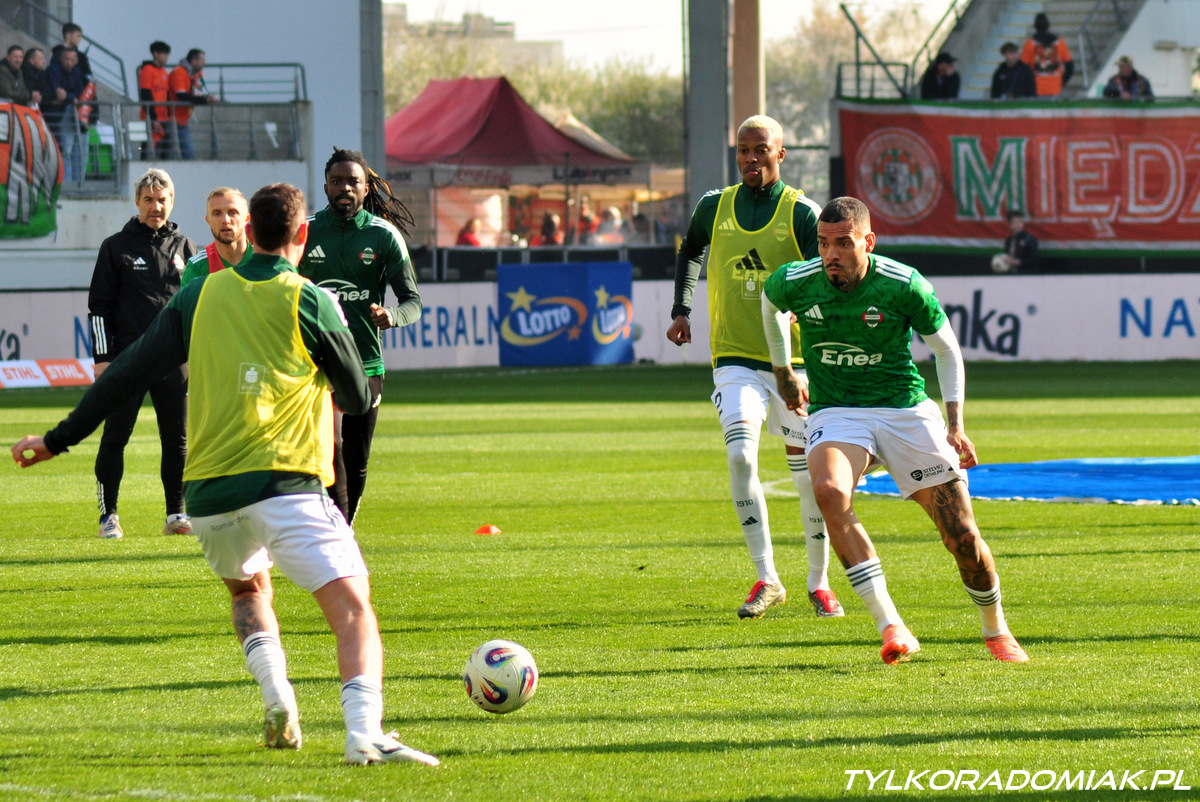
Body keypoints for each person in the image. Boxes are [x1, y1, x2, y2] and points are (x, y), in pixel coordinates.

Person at [11, 182, 440, 767]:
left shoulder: (198, 294)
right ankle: (364, 733)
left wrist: (56, 440)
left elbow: (127, 371)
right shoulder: (310, 299)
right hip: (285, 484)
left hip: (210, 498)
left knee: (248, 590)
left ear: (250, 230)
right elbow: (359, 398)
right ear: (302, 234)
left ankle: (278, 694)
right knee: (353, 610)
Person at [760, 196, 1029, 665]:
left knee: (962, 537)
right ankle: (891, 625)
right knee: (828, 491)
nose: (831, 255)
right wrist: (783, 370)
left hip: (904, 410)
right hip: (837, 411)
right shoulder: (796, 281)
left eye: (844, 244)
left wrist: (955, 425)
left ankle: (996, 629)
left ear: (868, 241)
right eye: (823, 244)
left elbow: (947, 351)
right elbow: (769, 305)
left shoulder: (904, 285)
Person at [667, 114, 842, 621]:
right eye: (743, 150)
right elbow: (691, 250)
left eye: (760, 150)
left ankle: (819, 582)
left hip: (794, 363)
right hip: (735, 359)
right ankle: (768, 578)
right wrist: (681, 309)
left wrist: (806, 311)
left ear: (780, 154)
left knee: (809, 480)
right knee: (741, 457)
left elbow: (827, 275)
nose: (750, 158)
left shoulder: (801, 213)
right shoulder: (713, 206)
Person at [298, 148, 422, 525]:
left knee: (356, 457)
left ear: (366, 188)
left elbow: (413, 301)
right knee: (325, 449)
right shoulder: (303, 232)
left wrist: (392, 316)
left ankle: (344, 525)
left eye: (353, 182)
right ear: (325, 186)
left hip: (365, 362)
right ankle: (329, 529)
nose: (345, 188)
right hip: (311, 364)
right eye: (337, 182)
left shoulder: (383, 236)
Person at [87, 168, 198, 539]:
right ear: (137, 202)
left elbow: (200, 307)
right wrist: (103, 359)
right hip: (127, 360)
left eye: (162, 199)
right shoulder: (115, 247)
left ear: (171, 202)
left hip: (174, 361)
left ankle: (176, 514)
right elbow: (99, 308)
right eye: (148, 200)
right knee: (115, 437)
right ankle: (109, 517)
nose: (156, 206)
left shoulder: (186, 248)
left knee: (177, 440)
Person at [181, 187, 253, 287]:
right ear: (208, 221)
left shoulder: (265, 260)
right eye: (217, 213)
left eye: (233, 212)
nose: (225, 220)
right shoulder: (198, 268)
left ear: (246, 219)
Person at [42, 47, 87, 182]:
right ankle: (67, 182)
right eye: (66, 59)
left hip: (75, 112)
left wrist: (68, 96)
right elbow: (57, 92)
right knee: (65, 149)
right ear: (61, 59)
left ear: (76, 61)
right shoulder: (53, 70)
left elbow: (80, 93)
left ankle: (78, 182)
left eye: (72, 60)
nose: (69, 62)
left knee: (78, 150)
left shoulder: (77, 72)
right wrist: (70, 97)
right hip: (60, 113)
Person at [169, 48, 218, 159]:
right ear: (194, 60)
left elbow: (200, 92)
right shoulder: (179, 72)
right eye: (202, 60)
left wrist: (207, 98)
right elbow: (181, 96)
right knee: (175, 152)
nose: (204, 63)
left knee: (187, 152)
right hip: (172, 118)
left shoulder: (196, 74)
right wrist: (205, 100)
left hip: (183, 118)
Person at [1021, 13, 1074, 97]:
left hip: (1036, 88)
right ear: (1049, 26)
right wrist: (1063, 80)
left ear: (1034, 27)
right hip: (1055, 87)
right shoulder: (1059, 42)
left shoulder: (1029, 44)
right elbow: (1070, 66)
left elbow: (1023, 68)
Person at [138, 41, 173, 159]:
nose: (167, 57)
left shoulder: (164, 72)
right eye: (165, 54)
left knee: (164, 151)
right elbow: (146, 94)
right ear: (156, 54)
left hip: (164, 118)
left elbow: (167, 95)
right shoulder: (147, 70)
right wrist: (153, 118)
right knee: (149, 149)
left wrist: (169, 114)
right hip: (152, 118)